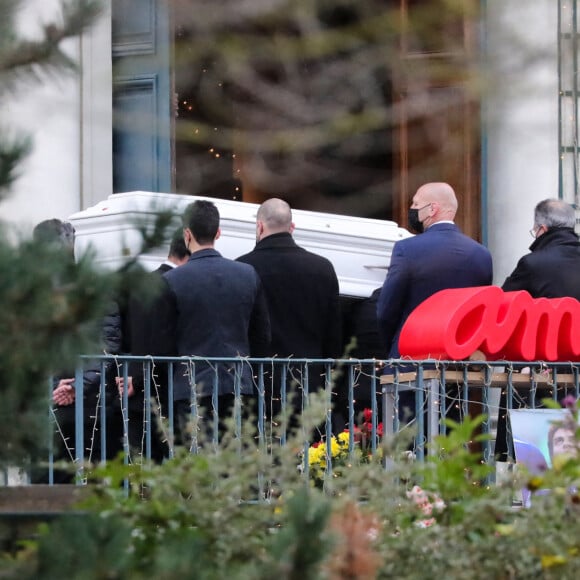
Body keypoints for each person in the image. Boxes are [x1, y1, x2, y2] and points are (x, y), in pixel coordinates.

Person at [150, 200, 271, 446]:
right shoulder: (247, 274)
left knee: (196, 466)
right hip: (239, 383)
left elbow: (161, 343)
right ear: (218, 233)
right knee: (236, 464)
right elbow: (262, 336)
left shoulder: (171, 280)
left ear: (187, 234)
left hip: (189, 385)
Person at [376, 182, 493, 428]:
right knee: (450, 444)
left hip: (410, 363)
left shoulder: (408, 249)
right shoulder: (481, 254)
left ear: (433, 209)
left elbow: (387, 309)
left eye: (415, 204)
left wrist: (393, 347)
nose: (412, 209)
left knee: (406, 443)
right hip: (457, 365)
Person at [236, 198, 341, 432]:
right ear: (291, 228)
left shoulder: (242, 269)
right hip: (309, 384)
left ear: (260, 227)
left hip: (259, 386)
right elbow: (334, 335)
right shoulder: (322, 268)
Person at [32, 219, 122, 482]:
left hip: (70, 407)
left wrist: (60, 388)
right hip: (89, 403)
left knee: (46, 490)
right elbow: (107, 346)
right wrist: (74, 386)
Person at [496, 199, 580, 461]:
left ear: (541, 228)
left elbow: (503, 308)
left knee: (539, 452)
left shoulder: (534, 263)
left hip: (542, 369)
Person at [116, 228, 191, 462]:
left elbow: (125, 337)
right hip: (166, 391)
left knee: (140, 465)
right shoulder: (176, 285)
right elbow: (165, 343)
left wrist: (132, 377)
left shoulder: (140, 284)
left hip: (135, 389)